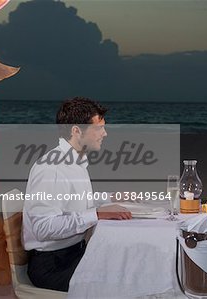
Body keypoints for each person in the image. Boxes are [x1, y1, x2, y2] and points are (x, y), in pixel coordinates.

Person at [22, 97, 132, 292]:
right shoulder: (51, 168)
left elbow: (73, 202)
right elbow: (42, 228)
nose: (104, 134)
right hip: (52, 267)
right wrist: (96, 214)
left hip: (72, 255)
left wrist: (110, 198)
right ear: (76, 130)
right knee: (125, 281)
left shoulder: (74, 162)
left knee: (130, 266)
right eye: (98, 128)